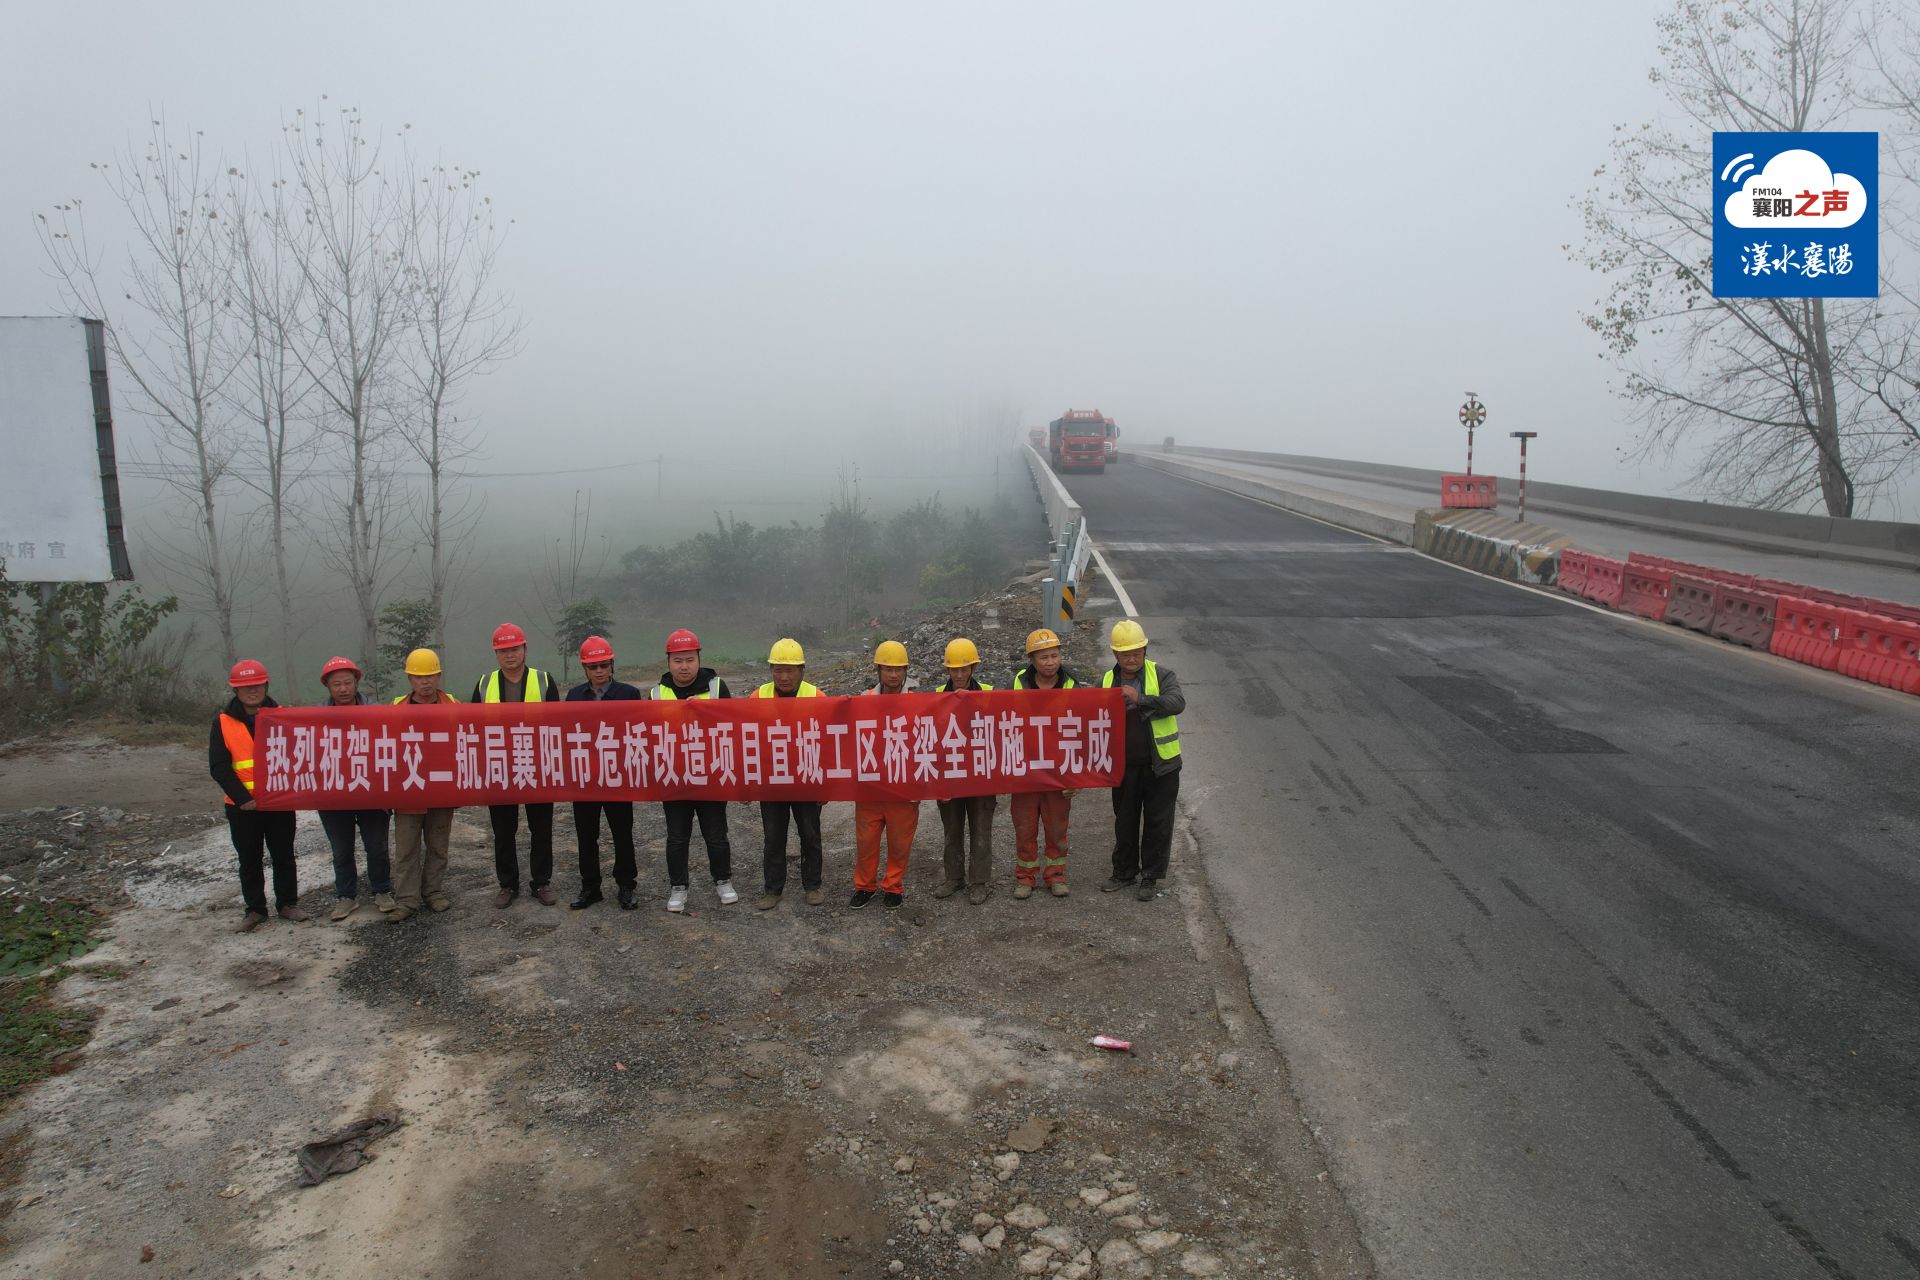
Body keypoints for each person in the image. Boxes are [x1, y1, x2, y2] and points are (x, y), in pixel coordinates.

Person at [210, 659, 305, 932]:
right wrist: (243, 798)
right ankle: (255, 909)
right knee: (249, 859)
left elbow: (301, 754)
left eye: (257, 685)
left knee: (284, 856)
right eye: (246, 687)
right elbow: (219, 767)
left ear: (266, 686)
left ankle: (287, 904)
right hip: (242, 807)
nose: (252, 691)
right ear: (236, 690)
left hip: (279, 803)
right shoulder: (223, 723)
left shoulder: (283, 716)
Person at [471, 622, 560, 908]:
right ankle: (507, 884)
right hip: (500, 766)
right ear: (496, 654)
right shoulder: (484, 684)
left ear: (525, 649)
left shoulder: (544, 680)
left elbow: (557, 724)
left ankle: (541, 882)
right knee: (503, 831)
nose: (509, 655)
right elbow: (474, 727)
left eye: (514, 649)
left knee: (541, 828)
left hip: (536, 765)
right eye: (503, 650)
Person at [653, 627, 736, 913]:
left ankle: (723, 880)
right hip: (675, 777)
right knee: (677, 836)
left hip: (710, 774)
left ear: (699, 659)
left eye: (689, 660)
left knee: (716, 834)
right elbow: (651, 735)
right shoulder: (656, 693)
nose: (684, 666)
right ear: (668, 662)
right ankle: (678, 887)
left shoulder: (717, 687)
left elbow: (732, 726)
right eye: (677, 660)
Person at [1100, 620, 1185, 901]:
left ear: (1145, 649)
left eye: (1136, 652)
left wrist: (1141, 699)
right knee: (1124, 821)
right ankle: (1124, 872)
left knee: (1158, 823)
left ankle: (1150, 876)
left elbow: (1177, 703)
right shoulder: (1107, 680)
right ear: (1115, 654)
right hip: (1124, 767)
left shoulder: (1161, 675)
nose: (1131, 659)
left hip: (1161, 765)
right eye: (1125, 654)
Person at [314, 655, 395, 921]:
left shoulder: (377, 711)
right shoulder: (314, 717)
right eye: (336, 684)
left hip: (371, 791)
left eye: (347, 682)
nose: (343, 689)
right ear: (328, 686)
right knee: (341, 850)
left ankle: (382, 890)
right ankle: (346, 896)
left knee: (377, 847)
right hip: (334, 794)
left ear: (356, 682)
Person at [566, 635, 641, 910]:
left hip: (617, 775)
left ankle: (626, 885)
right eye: (593, 666)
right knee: (586, 835)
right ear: (584, 668)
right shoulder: (574, 697)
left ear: (611, 665)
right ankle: (590, 887)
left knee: (622, 833)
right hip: (585, 777)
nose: (599, 671)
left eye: (603, 665)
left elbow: (638, 732)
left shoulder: (629, 694)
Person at [753, 638, 825, 910]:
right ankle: (772, 889)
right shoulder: (757, 697)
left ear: (801, 670)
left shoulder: (817, 697)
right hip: (772, 781)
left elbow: (829, 744)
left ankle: (813, 885)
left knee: (810, 835)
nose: (783, 677)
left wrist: (825, 786)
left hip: (806, 780)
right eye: (778, 670)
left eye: (790, 670)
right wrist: (748, 784)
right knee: (773, 837)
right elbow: (745, 741)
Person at [391, 649, 460, 921]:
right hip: (409, 789)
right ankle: (406, 900)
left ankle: (433, 892)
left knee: (438, 844)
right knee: (406, 848)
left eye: (430, 676)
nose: (425, 682)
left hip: (442, 788)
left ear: (439, 676)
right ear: (410, 679)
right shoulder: (396, 708)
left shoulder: (453, 704)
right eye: (419, 677)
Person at [1009, 628, 1076, 899]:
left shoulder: (1072, 685)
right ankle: (1025, 877)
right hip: (1025, 770)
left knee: (1057, 827)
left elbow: (1082, 732)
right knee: (1024, 827)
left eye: (1054, 656)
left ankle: (1056, 875)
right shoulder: (1018, 682)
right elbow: (1003, 725)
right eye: (1044, 657)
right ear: (1032, 659)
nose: (1050, 662)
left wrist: (1075, 776)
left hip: (1057, 771)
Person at [852, 640, 917, 910]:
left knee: (900, 842)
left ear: (905, 671)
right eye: (888, 669)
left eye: (898, 669)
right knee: (866, 842)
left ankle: (893, 886)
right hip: (871, 786)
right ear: (878, 670)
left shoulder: (918, 703)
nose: (893, 675)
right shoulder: (863, 701)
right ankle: (864, 886)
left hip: (903, 787)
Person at [933, 637, 998, 905]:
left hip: (981, 774)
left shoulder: (990, 693)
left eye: (964, 669)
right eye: (954, 669)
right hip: (950, 775)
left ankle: (979, 881)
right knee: (952, 830)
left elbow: (1000, 733)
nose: (959, 675)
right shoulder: (937, 695)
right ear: (947, 670)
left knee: (981, 829)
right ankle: (954, 877)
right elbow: (932, 739)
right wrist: (938, 781)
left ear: (973, 668)